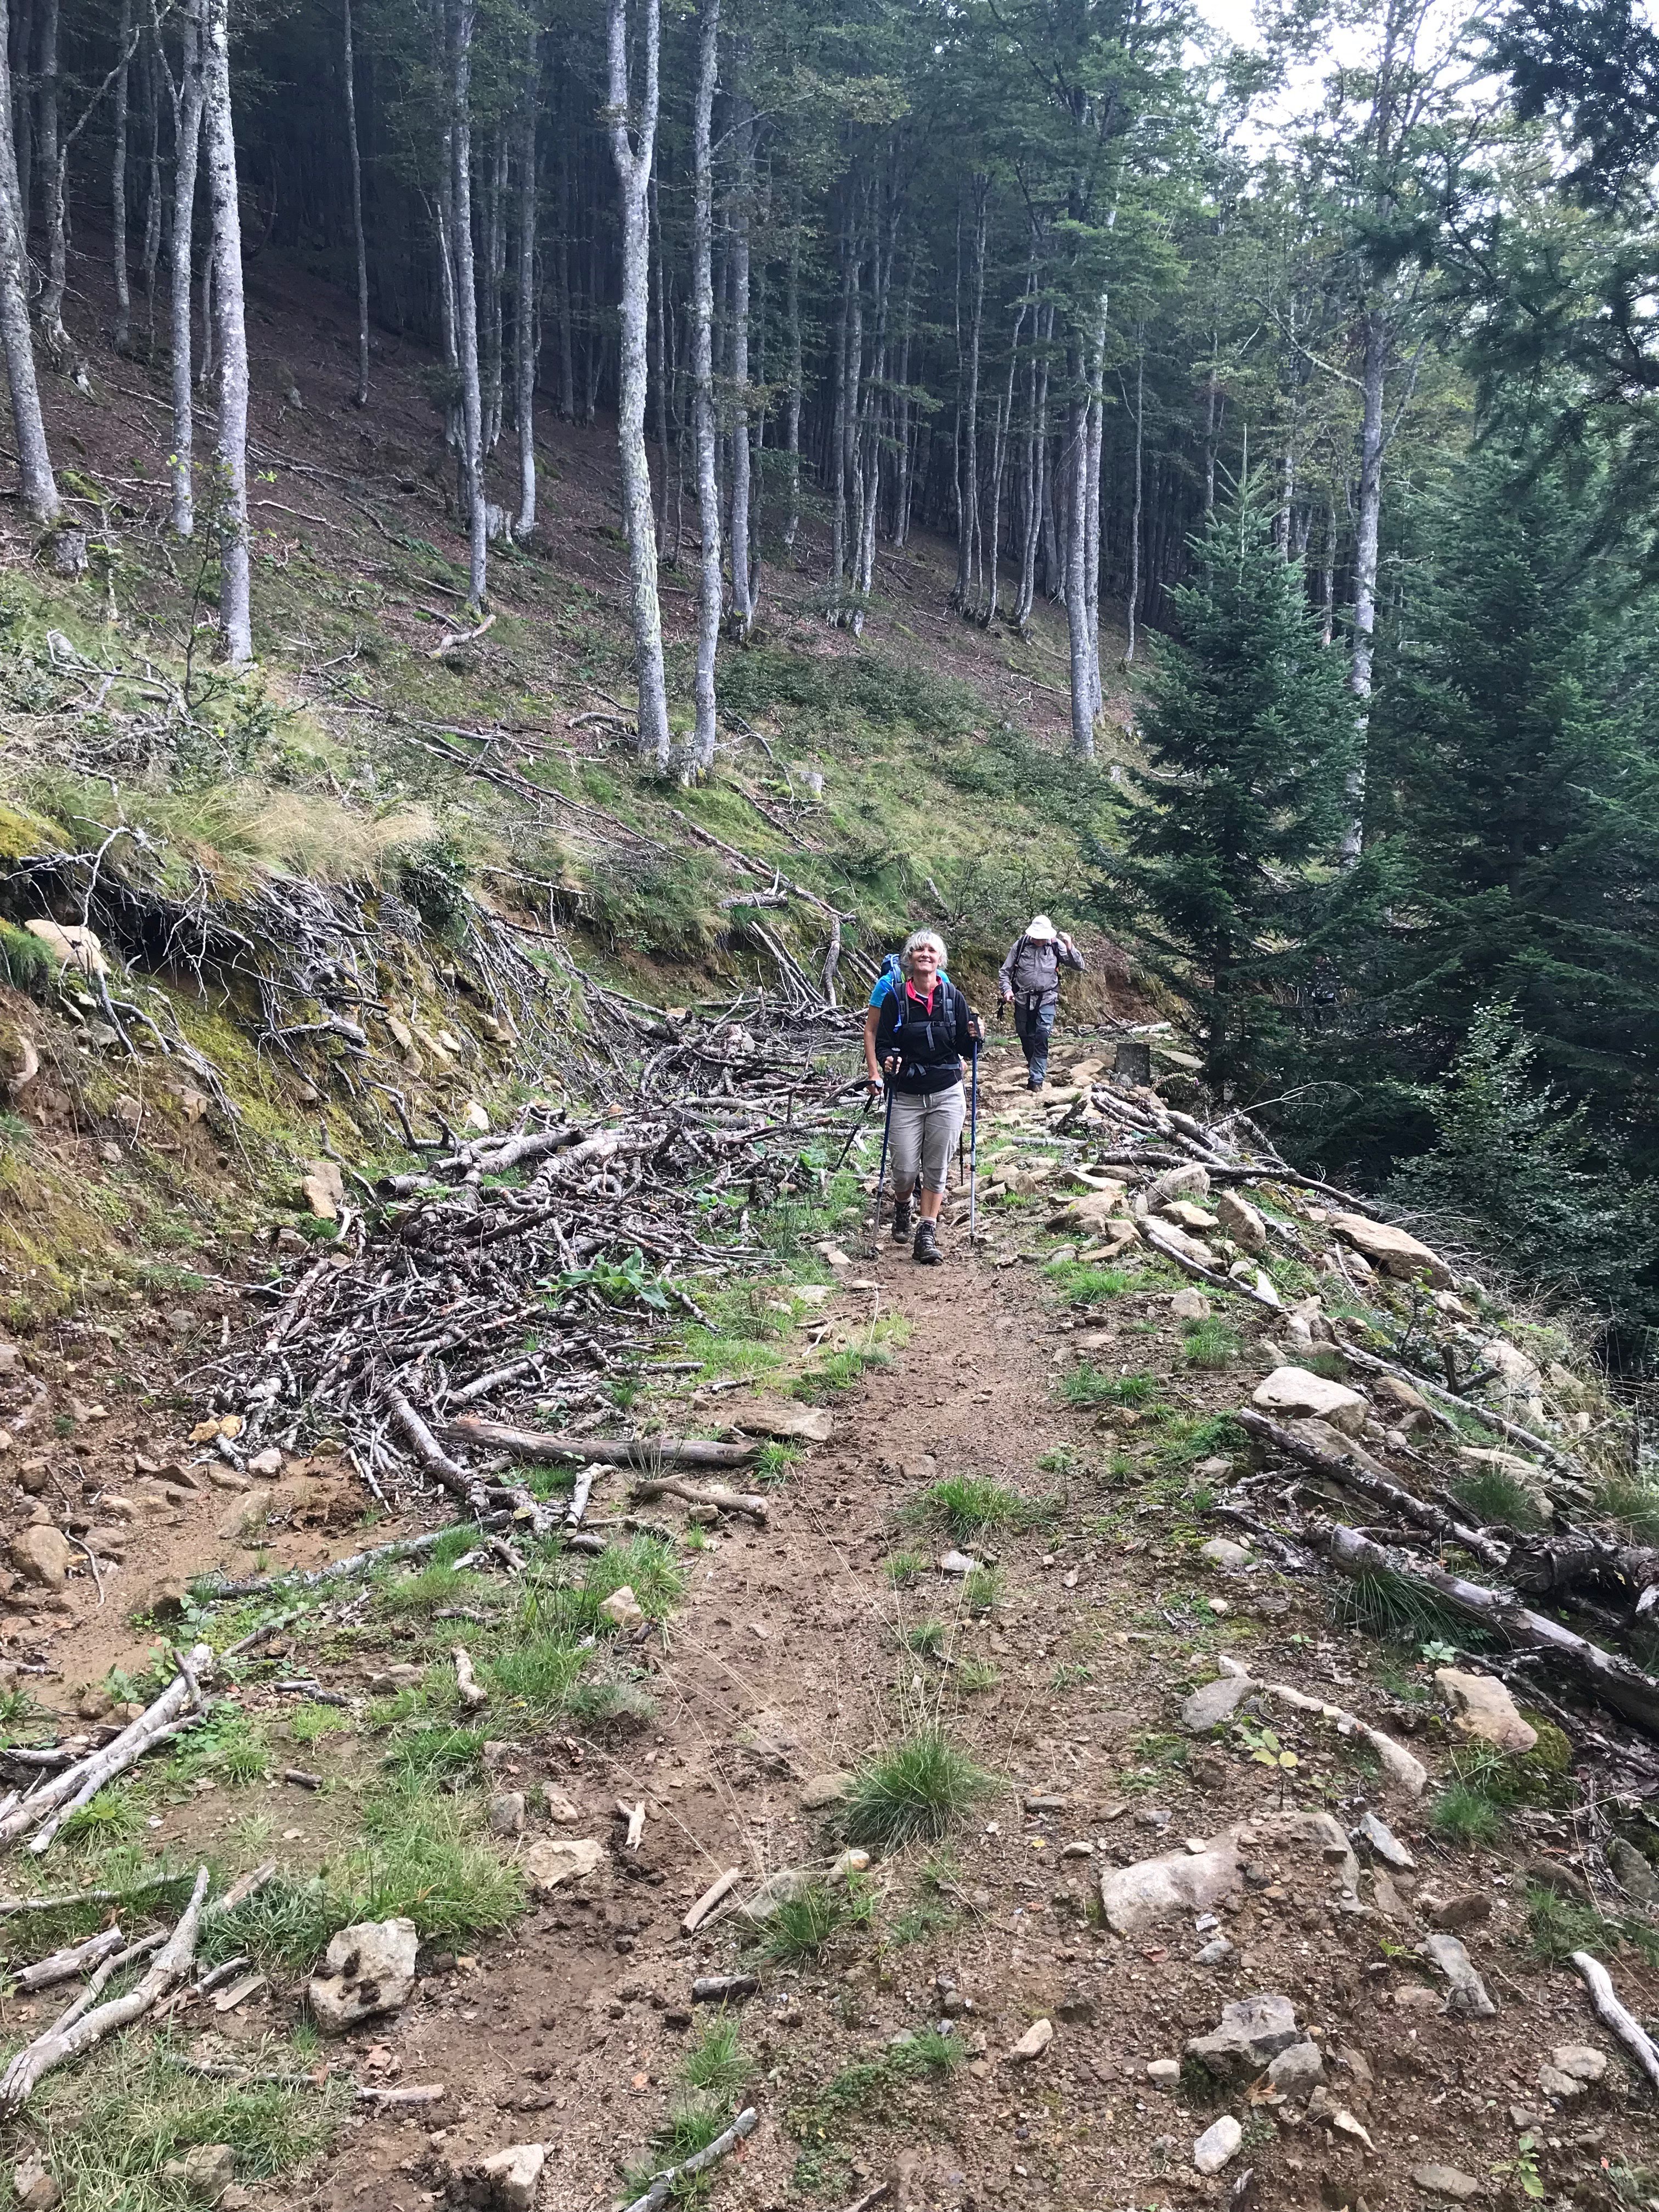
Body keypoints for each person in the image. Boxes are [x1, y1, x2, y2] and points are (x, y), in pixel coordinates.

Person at [864, 929, 979, 1265]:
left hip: (947, 1091)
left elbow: (964, 1048)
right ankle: (903, 1205)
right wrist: (885, 1061)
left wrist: (975, 1036)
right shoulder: (895, 998)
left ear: (939, 960)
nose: (925, 954)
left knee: (936, 1166)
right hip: (907, 1094)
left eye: (932, 950)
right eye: (919, 950)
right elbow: (882, 1040)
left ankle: (926, 1232)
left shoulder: (953, 997)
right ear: (910, 959)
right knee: (902, 1169)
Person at [998, 914, 1085, 1090]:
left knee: (1042, 1035)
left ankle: (1036, 1080)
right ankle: (1034, 1065)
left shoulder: (1055, 945)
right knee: (1025, 1034)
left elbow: (1079, 966)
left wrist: (1070, 948)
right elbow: (1005, 972)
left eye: (1043, 937)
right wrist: (1007, 990)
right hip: (1022, 998)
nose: (1040, 940)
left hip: (1047, 998)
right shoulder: (1021, 945)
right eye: (1037, 937)